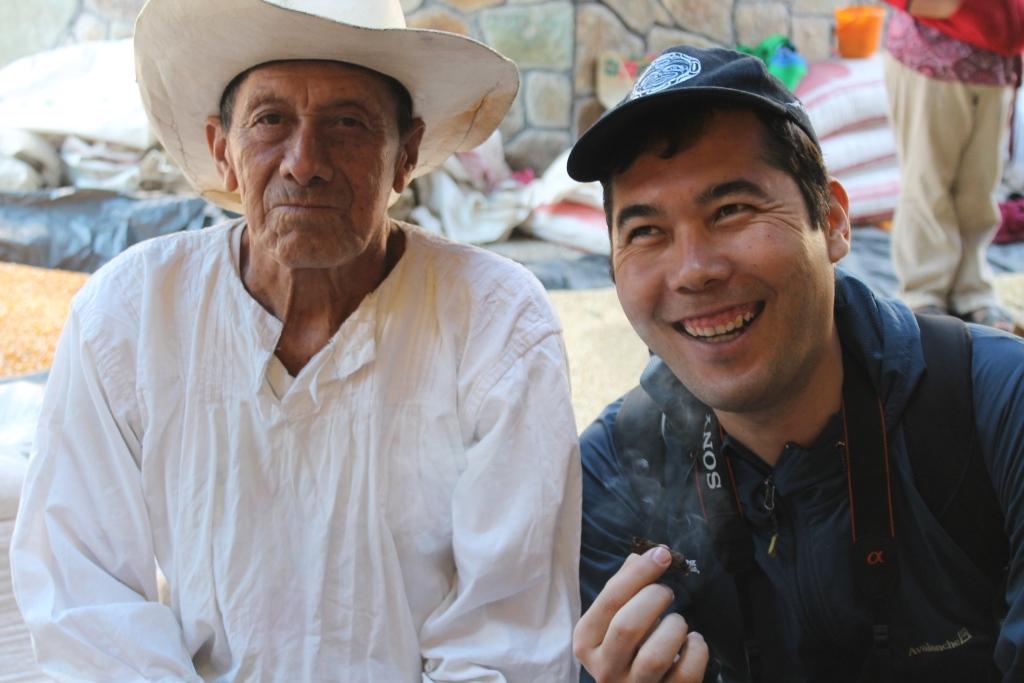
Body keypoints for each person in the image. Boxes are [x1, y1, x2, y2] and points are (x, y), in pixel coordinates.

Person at [10, 1, 581, 680]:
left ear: (405, 156)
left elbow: (506, 638)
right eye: (270, 120)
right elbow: (83, 595)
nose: (304, 163)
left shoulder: (498, 322)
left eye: (347, 123)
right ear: (222, 150)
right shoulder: (130, 314)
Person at [565, 45, 1024, 682]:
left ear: (832, 221)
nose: (694, 271)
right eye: (646, 232)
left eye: (731, 210)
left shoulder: (996, 409)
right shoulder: (615, 473)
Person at [881, 0, 1024, 332]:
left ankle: (972, 291)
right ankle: (923, 293)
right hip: (932, 56)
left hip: (995, 63)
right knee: (928, 184)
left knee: (981, 189)